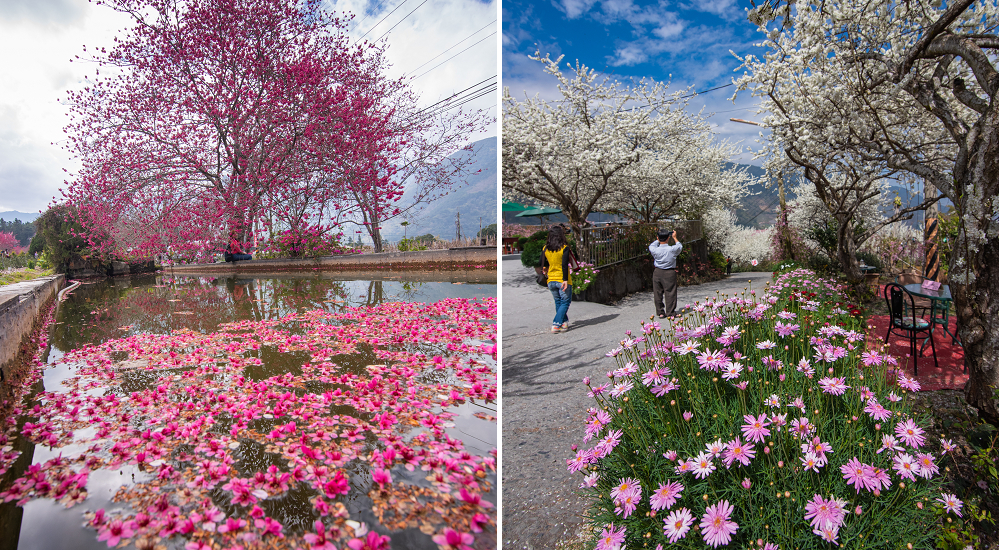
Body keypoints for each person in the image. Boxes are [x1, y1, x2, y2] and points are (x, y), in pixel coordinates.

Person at [540, 226, 573, 333]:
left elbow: (542, 262)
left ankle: (564, 323)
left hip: (551, 280)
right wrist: (565, 280)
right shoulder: (564, 248)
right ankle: (556, 323)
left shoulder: (545, 248)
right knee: (565, 302)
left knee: (558, 301)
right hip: (561, 279)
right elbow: (564, 265)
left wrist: (545, 269)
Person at [649, 229, 683, 318]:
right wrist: (674, 237)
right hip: (669, 272)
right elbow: (679, 246)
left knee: (657, 292)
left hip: (657, 272)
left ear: (657, 238)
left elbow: (652, 244)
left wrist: (659, 238)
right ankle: (670, 312)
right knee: (670, 292)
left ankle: (660, 312)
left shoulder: (654, 249)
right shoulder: (672, 249)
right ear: (668, 238)